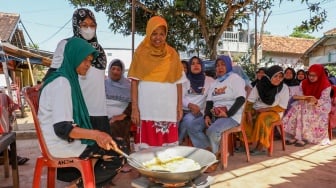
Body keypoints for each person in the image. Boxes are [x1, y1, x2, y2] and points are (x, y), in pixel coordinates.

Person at [38, 37, 126, 187]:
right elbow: (62, 128)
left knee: (115, 144)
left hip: (56, 139)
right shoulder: (62, 83)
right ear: (73, 56)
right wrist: (96, 134)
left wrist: (95, 135)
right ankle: (79, 185)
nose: (88, 64)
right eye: (84, 59)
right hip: (58, 143)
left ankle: (81, 182)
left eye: (90, 60)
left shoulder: (65, 78)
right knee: (119, 152)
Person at [128, 16, 185, 151]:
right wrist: (135, 109)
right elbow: (134, 82)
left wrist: (179, 106)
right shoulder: (140, 53)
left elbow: (179, 82)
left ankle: (165, 172)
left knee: (168, 151)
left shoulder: (172, 54)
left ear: (166, 35)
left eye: (161, 34)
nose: (158, 37)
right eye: (154, 33)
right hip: (147, 110)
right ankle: (146, 172)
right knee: (145, 151)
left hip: (168, 110)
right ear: (148, 33)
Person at [242, 65, 289, 155]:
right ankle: (245, 143)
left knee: (263, 118)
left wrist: (266, 109)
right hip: (258, 108)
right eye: (275, 76)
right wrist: (248, 113)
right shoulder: (260, 85)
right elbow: (250, 101)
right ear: (269, 76)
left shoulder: (284, 88)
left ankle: (260, 147)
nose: (278, 79)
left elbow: (282, 107)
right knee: (244, 116)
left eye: (280, 77)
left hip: (275, 111)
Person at [204, 55, 246, 155]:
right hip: (216, 115)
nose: (220, 67)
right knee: (194, 126)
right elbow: (209, 102)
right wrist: (207, 116)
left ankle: (215, 156)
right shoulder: (215, 83)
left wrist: (228, 114)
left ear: (228, 65)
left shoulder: (235, 79)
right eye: (217, 65)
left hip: (232, 116)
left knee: (212, 131)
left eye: (223, 64)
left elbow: (241, 99)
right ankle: (212, 150)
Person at [283, 64, 331, 147]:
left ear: (319, 75)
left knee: (306, 112)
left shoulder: (326, 85)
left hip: (320, 106)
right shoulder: (304, 82)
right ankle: (297, 136)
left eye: (314, 76)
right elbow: (300, 94)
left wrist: (316, 102)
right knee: (297, 109)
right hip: (305, 103)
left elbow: (324, 99)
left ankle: (305, 138)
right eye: (309, 75)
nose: (311, 78)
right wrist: (300, 97)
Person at [178, 56, 214, 149]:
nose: (195, 65)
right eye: (192, 64)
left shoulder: (210, 81)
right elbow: (180, 96)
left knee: (188, 120)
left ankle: (177, 142)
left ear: (202, 65)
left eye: (198, 63)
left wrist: (204, 111)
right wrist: (190, 105)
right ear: (189, 67)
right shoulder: (184, 80)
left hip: (199, 112)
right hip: (183, 109)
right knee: (177, 120)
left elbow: (211, 98)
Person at [105, 59, 132, 150]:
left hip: (122, 118)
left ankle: (121, 155)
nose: (115, 72)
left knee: (114, 127)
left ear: (122, 72)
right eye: (113, 69)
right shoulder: (103, 84)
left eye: (118, 69)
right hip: (104, 115)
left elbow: (134, 104)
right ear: (109, 70)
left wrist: (121, 116)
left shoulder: (129, 86)